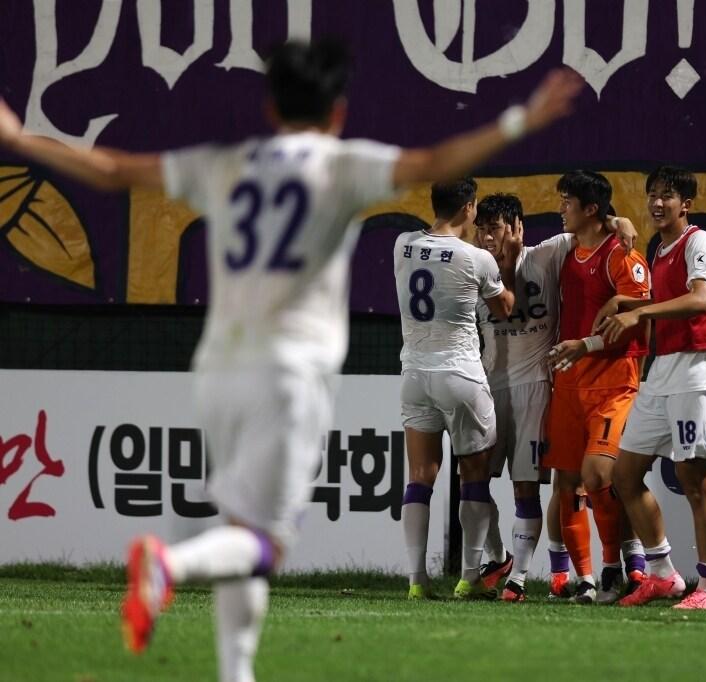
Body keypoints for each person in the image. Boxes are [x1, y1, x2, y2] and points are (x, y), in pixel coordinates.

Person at [0, 38, 582, 679]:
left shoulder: (228, 161)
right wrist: (521, 120)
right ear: (337, 111)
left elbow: (112, 171)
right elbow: (435, 159)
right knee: (260, 540)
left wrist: (22, 139)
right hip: (289, 374)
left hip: (219, 371)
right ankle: (169, 566)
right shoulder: (339, 165)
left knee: (239, 522)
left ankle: (235, 670)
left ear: (272, 105)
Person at [473, 193, 638, 601]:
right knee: (472, 482)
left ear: (518, 228)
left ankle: (525, 579)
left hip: (536, 387)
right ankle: (495, 558)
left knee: (533, 487)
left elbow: (594, 227)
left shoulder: (548, 253)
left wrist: (621, 221)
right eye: (482, 228)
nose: (488, 237)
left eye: (496, 227)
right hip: (487, 387)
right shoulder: (472, 265)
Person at [596, 166, 706, 609]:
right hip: (662, 372)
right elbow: (660, 301)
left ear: (685, 203)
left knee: (695, 482)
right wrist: (627, 302)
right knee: (624, 474)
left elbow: (699, 299)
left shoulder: (699, 242)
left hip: (697, 370)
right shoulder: (659, 248)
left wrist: (639, 314)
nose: (657, 202)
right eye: (652, 194)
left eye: (667, 195)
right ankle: (662, 573)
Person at [397, 178, 521, 600]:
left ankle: (416, 580)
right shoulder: (476, 258)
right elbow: (504, 307)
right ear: (469, 208)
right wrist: (510, 261)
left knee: (419, 476)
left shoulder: (402, 245)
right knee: (474, 477)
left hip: (414, 374)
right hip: (460, 374)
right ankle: (469, 578)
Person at [546, 170, 650, 604]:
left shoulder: (622, 254)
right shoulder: (568, 248)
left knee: (599, 475)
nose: (561, 208)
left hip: (613, 379)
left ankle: (612, 569)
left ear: (590, 208)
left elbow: (641, 310)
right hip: (569, 380)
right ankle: (585, 580)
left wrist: (586, 344)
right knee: (566, 484)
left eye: (567, 201)